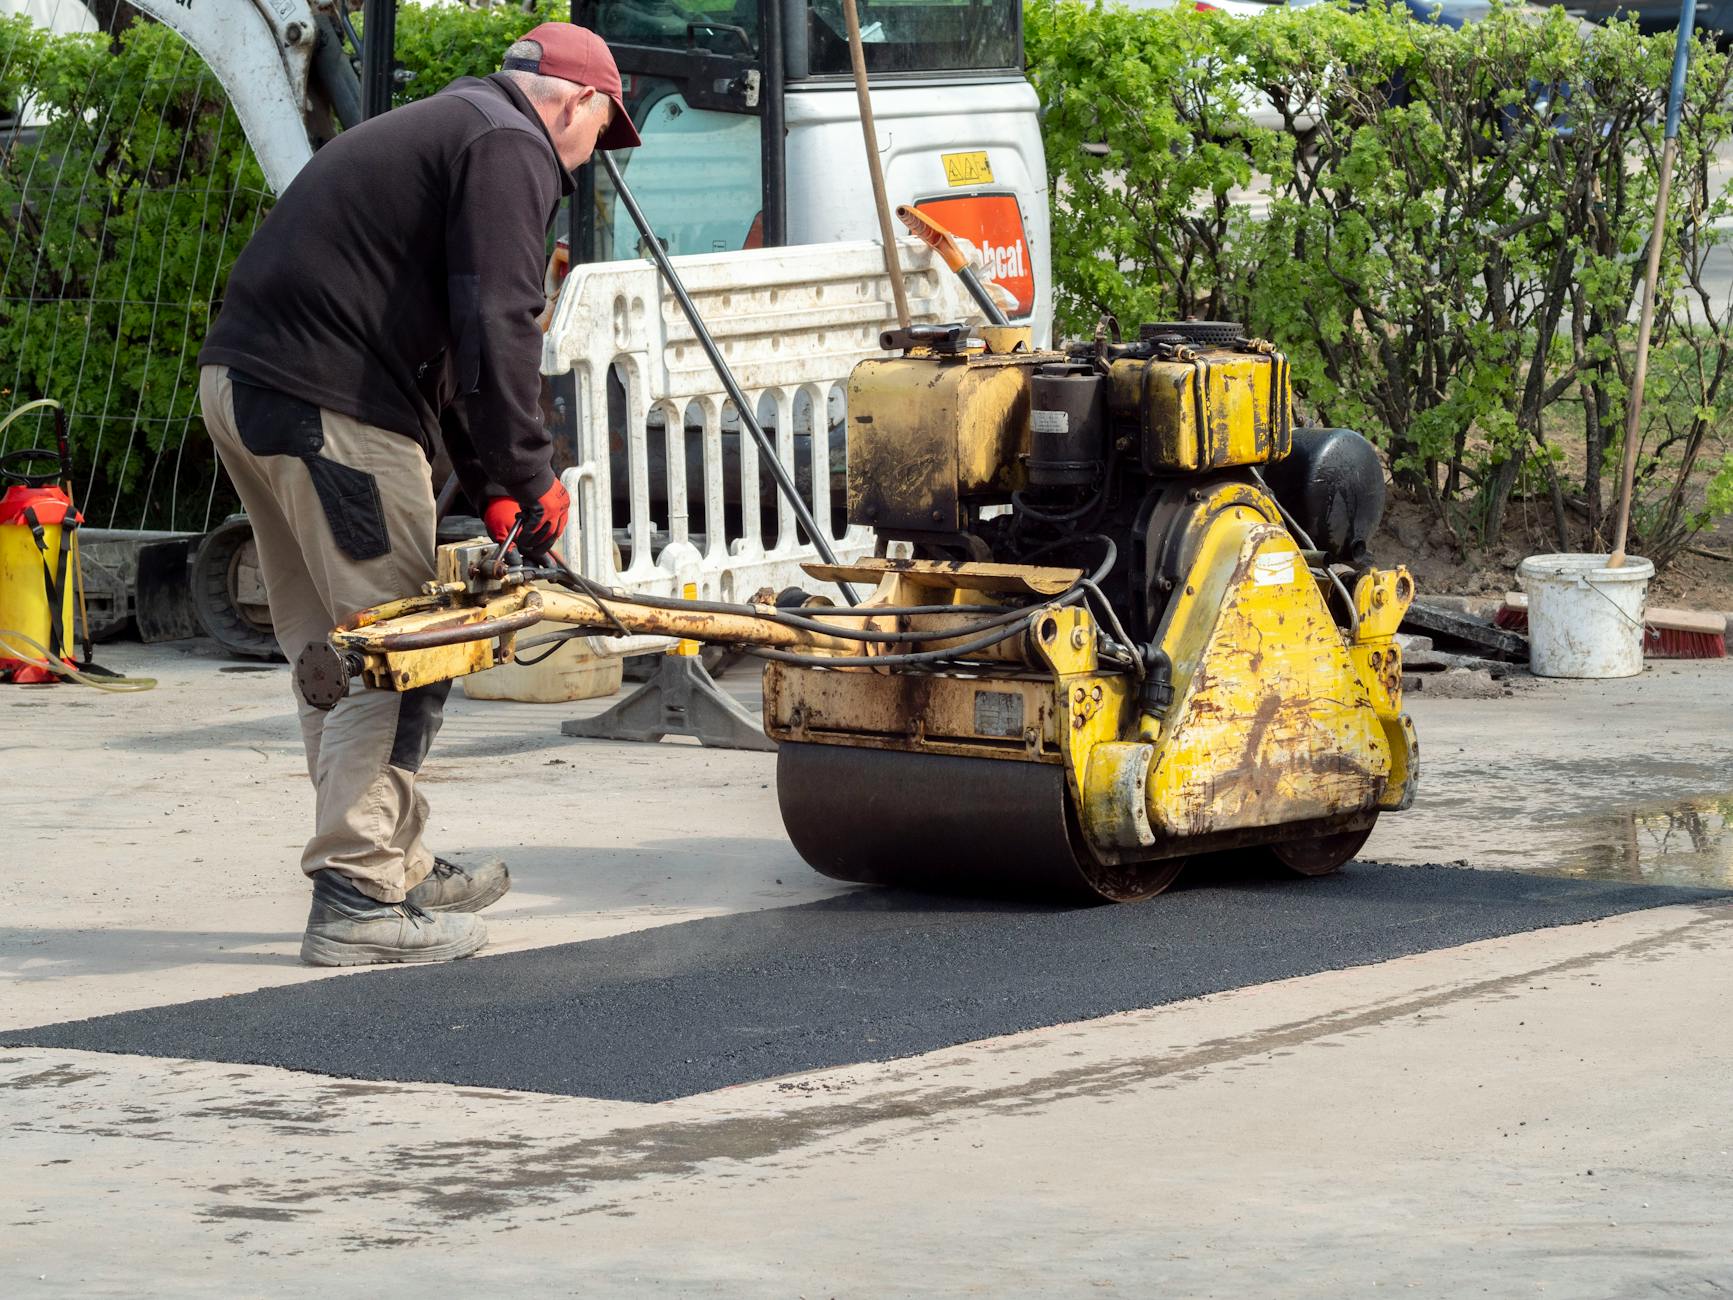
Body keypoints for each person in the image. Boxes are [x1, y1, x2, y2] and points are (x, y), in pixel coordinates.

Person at [197, 23, 640, 967]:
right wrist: (530, 472)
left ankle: (390, 859)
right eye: (599, 134)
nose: (586, 162)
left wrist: (493, 485)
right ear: (576, 99)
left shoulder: (453, 124)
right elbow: (500, 321)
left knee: (331, 653)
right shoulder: (511, 143)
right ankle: (359, 895)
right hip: (332, 408)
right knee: (400, 653)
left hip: (247, 388)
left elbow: (447, 351)